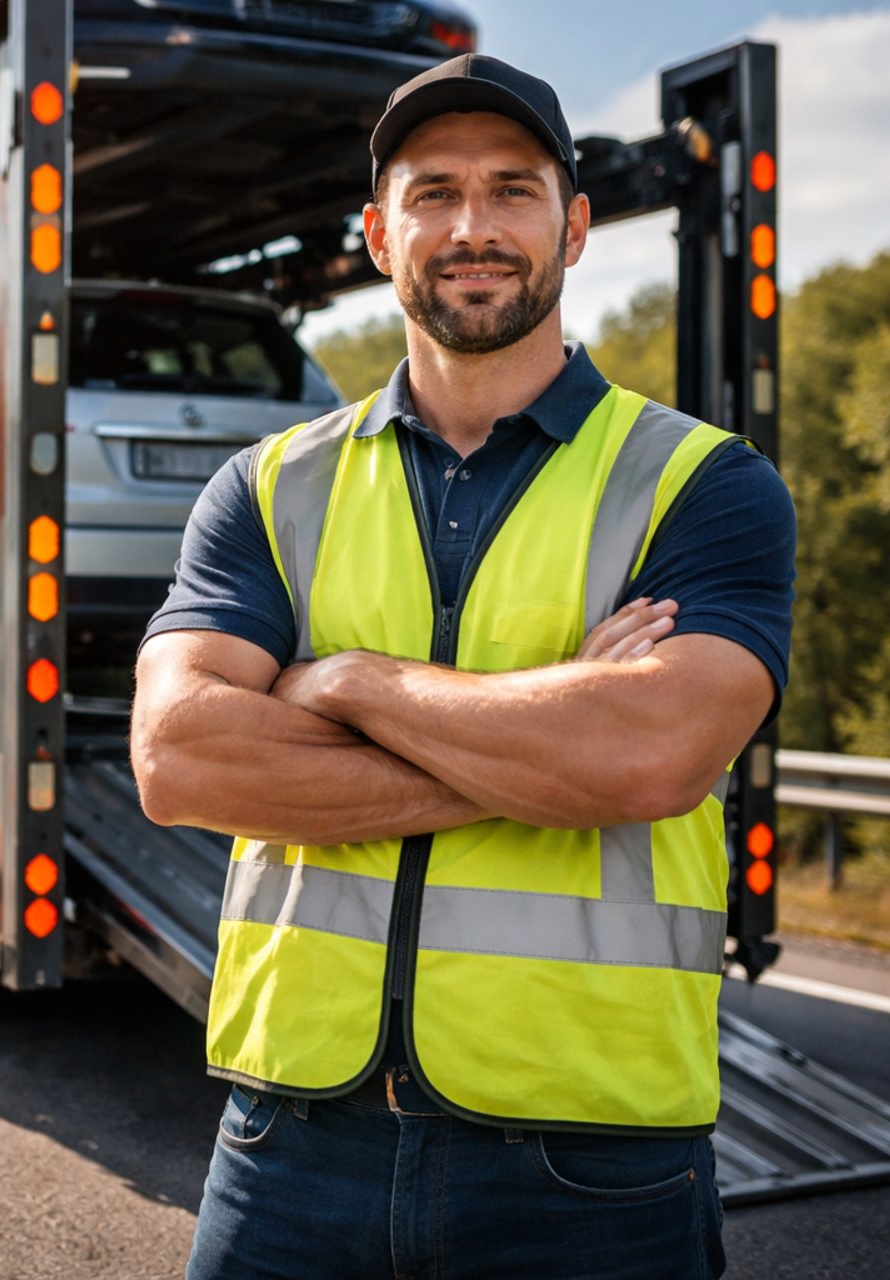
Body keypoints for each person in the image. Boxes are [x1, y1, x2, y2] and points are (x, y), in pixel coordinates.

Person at [130, 53, 796, 1278]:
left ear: (575, 227)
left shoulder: (703, 483)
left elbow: (652, 751)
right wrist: (555, 750)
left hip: (594, 1164)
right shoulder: (269, 487)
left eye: (513, 190)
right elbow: (180, 760)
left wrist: (342, 684)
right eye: (432, 192)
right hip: (288, 1140)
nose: (472, 227)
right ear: (379, 234)